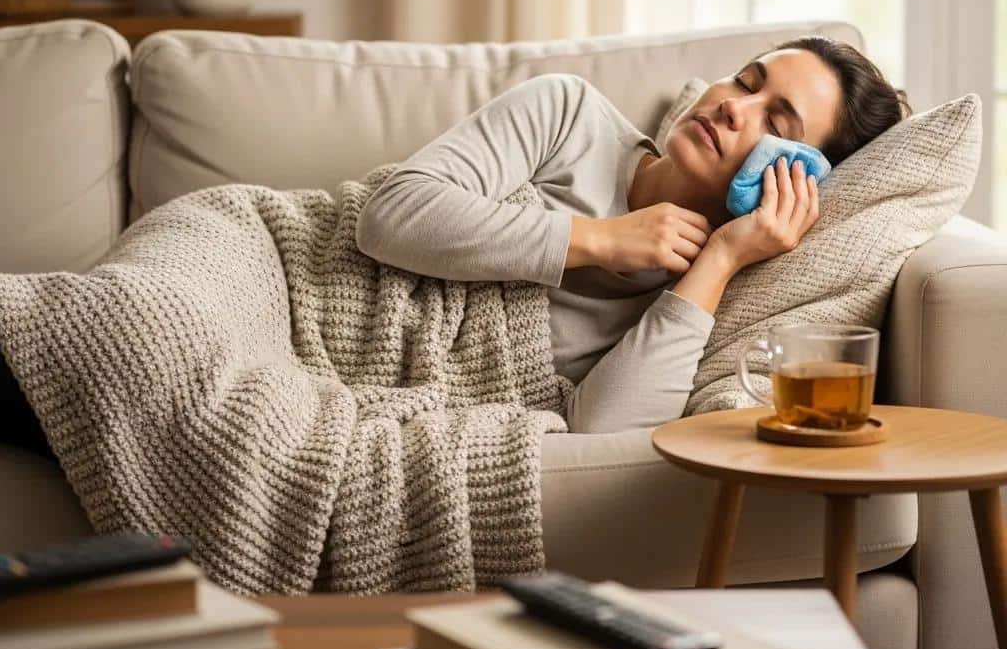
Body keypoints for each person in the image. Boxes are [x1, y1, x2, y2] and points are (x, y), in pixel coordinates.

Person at [355, 35, 911, 433]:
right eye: (745, 80)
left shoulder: (718, 291)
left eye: (776, 124)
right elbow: (391, 216)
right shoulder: (568, 116)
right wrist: (601, 238)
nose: (733, 108)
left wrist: (718, 259)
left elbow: (604, 429)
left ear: (796, 178)